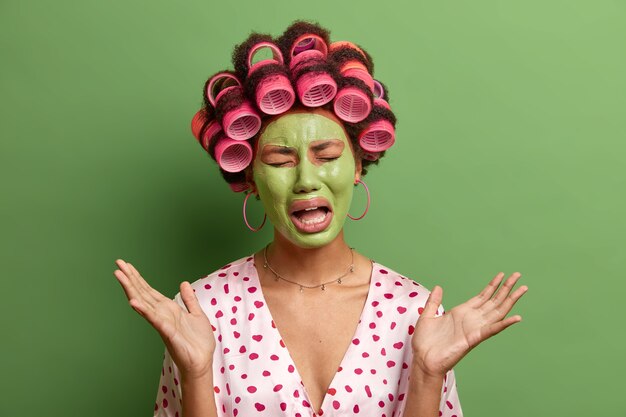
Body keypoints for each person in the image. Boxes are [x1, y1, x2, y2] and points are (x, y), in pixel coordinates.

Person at [113, 21, 527, 417]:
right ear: (250, 178)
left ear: (358, 164)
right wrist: (197, 372)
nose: (306, 180)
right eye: (279, 160)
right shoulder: (202, 311)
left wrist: (426, 375)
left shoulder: (415, 312)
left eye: (327, 157)